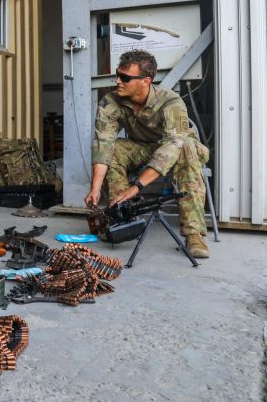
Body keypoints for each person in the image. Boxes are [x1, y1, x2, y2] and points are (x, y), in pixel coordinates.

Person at [84, 49, 211, 258]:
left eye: (124, 77)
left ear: (145, 81)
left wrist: (137, 186)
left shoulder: (170, 101)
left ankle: (194, 234)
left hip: (177, 148)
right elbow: (103, 143)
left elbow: (172, 146)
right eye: (117, 75)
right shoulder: (111, 102)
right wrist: (95, 188)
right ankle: (121, 220)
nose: (117, 81)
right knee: (115, 148)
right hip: (142, 147)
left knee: (186, 148)